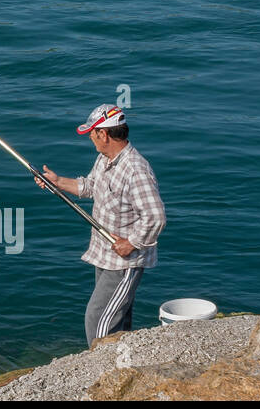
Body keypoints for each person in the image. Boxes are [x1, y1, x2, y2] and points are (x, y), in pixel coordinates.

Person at [35, 105, 166, 346]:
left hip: (124, 261)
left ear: (103, 134)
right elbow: (91, 187)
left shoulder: (135, 170)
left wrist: (132, 243)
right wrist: (58, 181)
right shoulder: (105, 159)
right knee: (117, 317)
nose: (91, 139)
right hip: (104, 256)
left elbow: (155, 215)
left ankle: (100, 371)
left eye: (92, 134)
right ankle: (123, 366)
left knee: (98, 318)